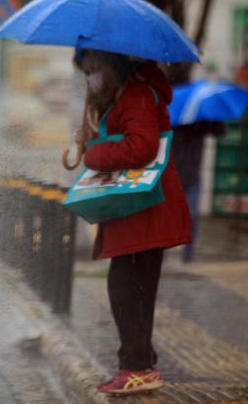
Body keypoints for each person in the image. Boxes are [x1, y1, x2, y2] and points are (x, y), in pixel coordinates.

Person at [73, 49, 192, 395]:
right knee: (126, 289)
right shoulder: (124, 97)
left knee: (130, 291)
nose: (89, 79)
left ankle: (140, 367)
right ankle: (137, 364)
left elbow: (140, 148)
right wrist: (92, 138)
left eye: (92, 70)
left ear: (110, 67)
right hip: (135, 209)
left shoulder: (138, 95)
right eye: (85, 72)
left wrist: (93, 152)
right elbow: (123, 142)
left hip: (146, 210)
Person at [171, 121, 225, 262]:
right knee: (166, 216)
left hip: (192, 177)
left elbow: (220, 130)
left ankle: (187, 253)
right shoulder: (174, 122)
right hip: (171, 177)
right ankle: (161, 252)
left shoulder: (200, 123)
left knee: (192, 215)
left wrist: (209, 117)